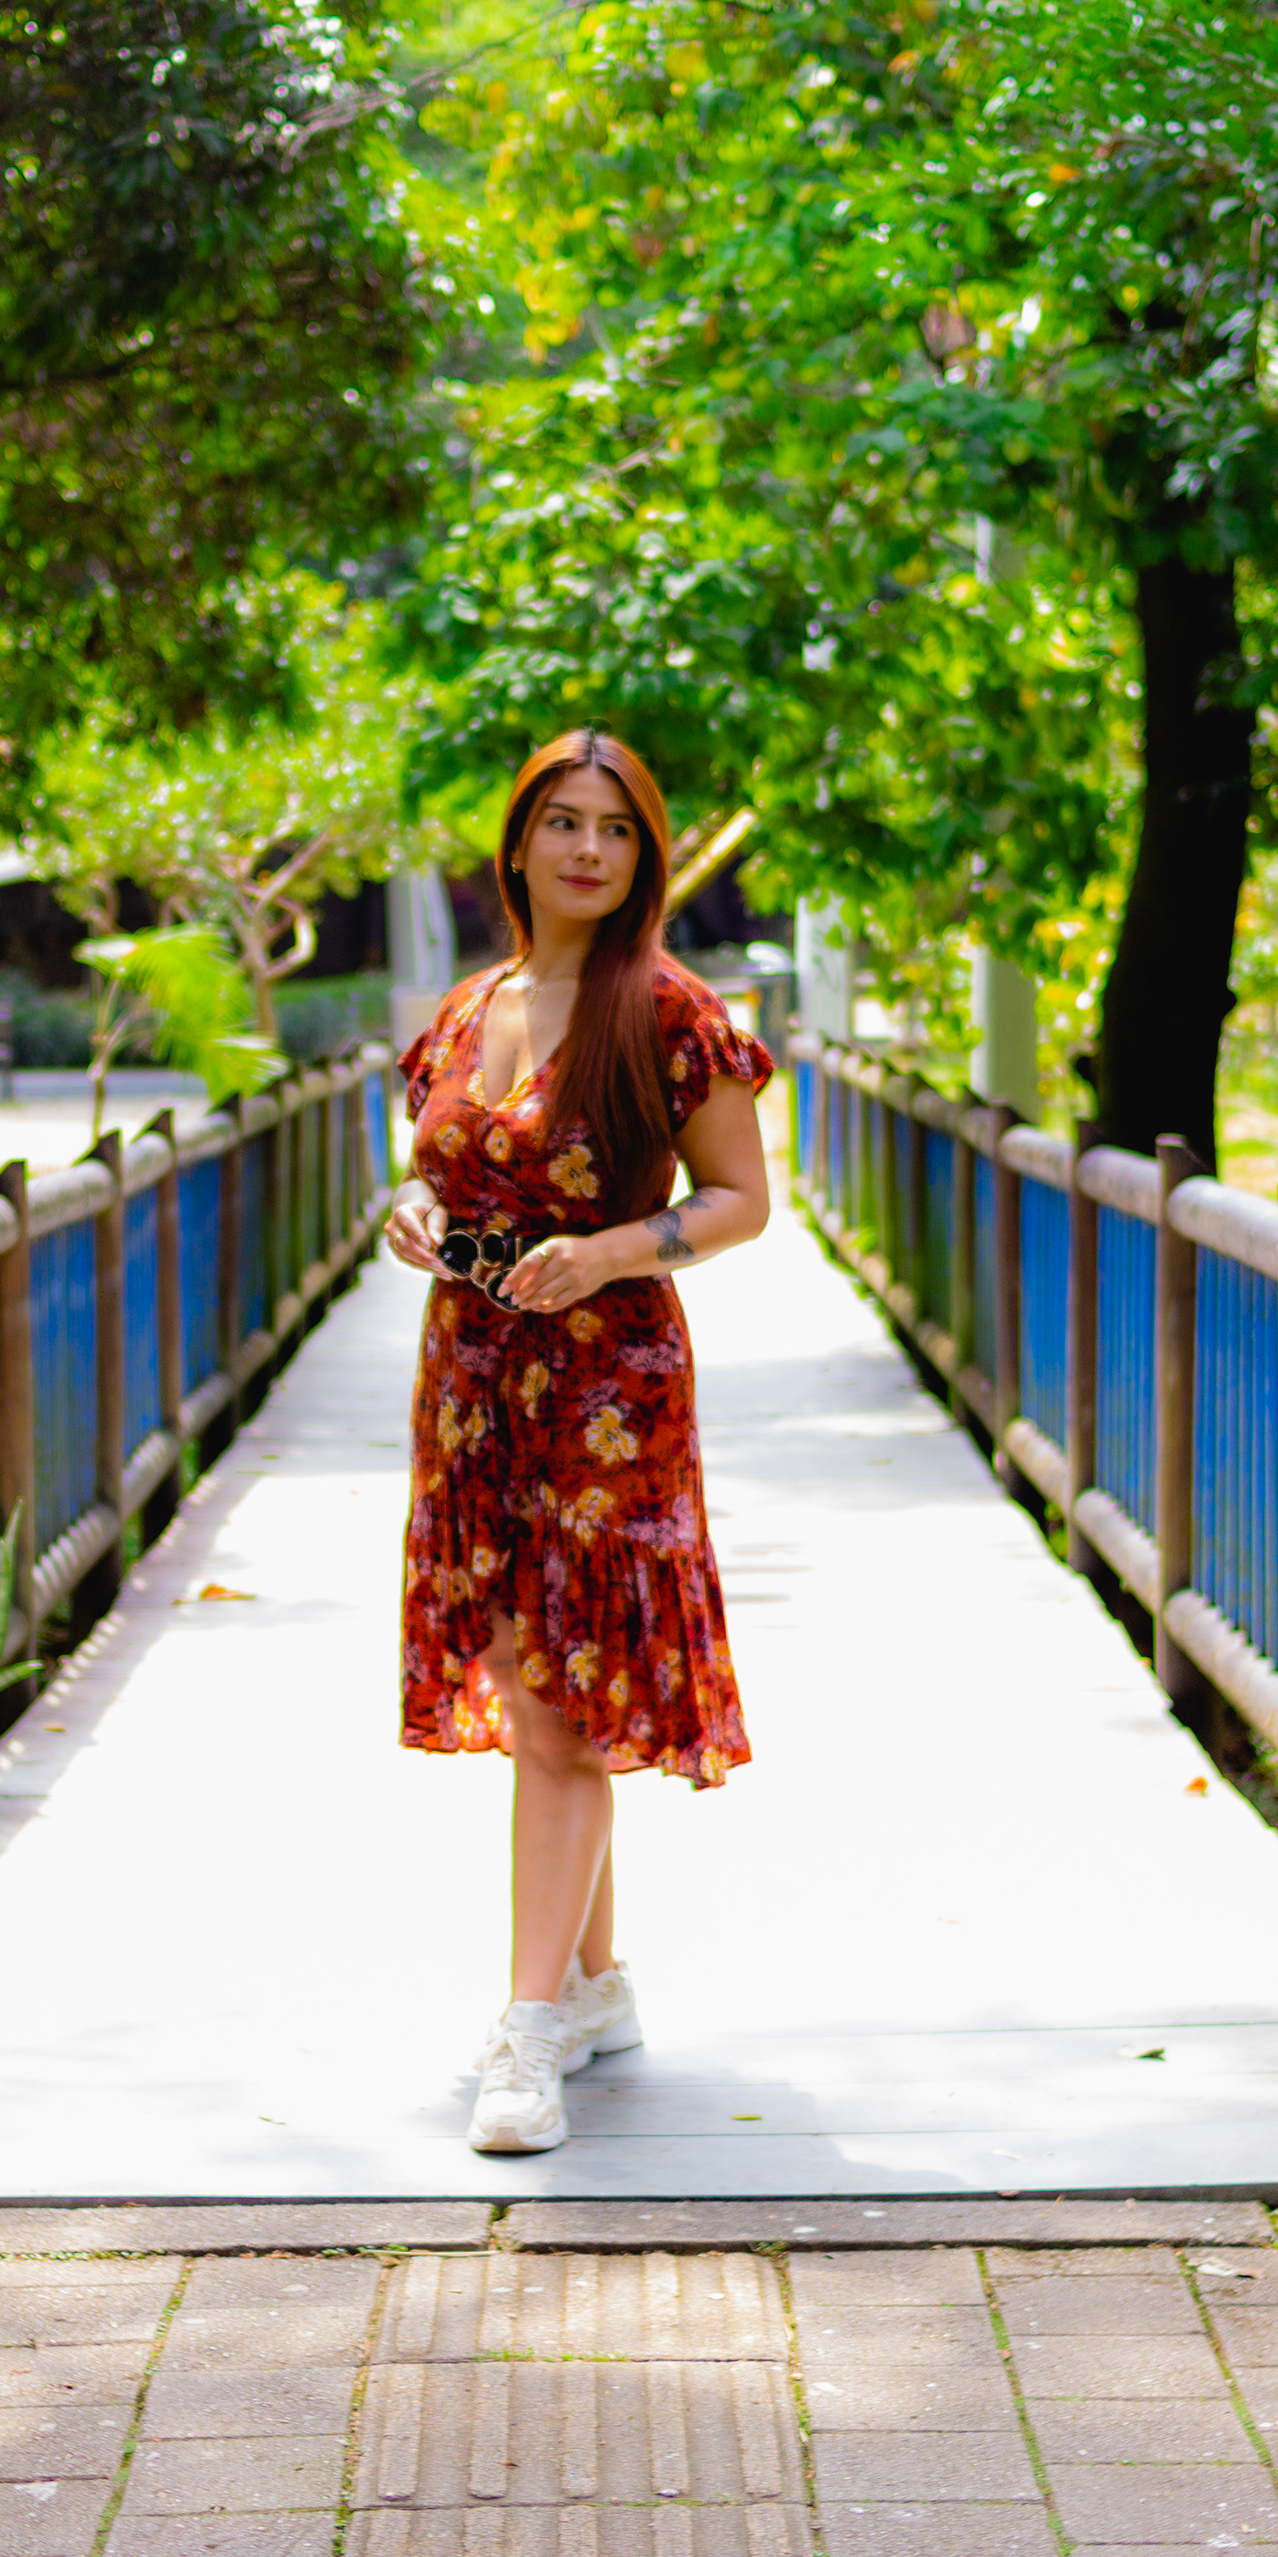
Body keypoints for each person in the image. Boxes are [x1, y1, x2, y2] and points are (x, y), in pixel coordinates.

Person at [387, 728, 774, 2153]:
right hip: (471, 1382)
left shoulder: (668, 1010)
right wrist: (415, 1214)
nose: (589, 849)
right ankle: (597, 1983)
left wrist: (610, 1250)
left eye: (616, 827)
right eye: (563, 820)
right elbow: (434, 1164)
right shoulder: (468, 1005)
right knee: (529, 1682)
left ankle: (529, 2031)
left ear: (645, 854)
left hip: (609, 1389)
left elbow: (740, 1201)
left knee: (561, 1702)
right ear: (520, 841)